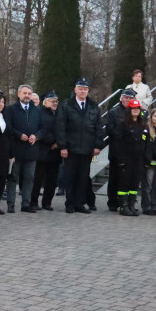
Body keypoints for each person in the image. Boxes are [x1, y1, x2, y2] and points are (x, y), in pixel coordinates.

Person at [56, 79, 103, 214]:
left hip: (87, 148)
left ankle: (80, 203)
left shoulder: (93, 106)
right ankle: (70, 203)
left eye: (85, 89)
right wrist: (63, 146)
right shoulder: (66, 105)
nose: (83, 91)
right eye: (80, 88)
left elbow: (98, 127)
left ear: (88, 91)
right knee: (70, 177)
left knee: (83, 178)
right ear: (75, 90)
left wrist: (98, 145)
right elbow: (60, 127)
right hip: (71, 148)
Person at [4, 84, 43, 213]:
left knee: (29, 178)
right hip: (15, 150)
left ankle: (26, 203)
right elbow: (8, 127)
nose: (27, 96)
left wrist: (36, 136)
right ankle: (11, 204)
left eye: (29, 94)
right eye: (24, 93)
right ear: (19, 94)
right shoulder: (10, 109)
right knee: (13, 178)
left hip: (31, 150)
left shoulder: (37, 110)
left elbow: (43, 128)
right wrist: (19, 135)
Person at [102, 89, 136, 211]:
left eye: (130, 98)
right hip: (116, 151)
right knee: (114, 178)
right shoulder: (113, 112)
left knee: (128, 179)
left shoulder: (136, 112)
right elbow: (109, 129)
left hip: (131, 152)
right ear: (121, 99)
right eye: (125, 97)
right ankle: (112, 202)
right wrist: (123, 135)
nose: (127, 100)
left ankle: (126, 202)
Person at [114, 100, 146, 216]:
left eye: (137, 108)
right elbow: (118, 143)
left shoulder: (142, 125)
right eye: (133, 108)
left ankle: (131, 204)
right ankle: (123, 206)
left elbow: (145, 142)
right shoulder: (122, 124)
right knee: (125, 182)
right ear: (129, 110)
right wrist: (121, 159)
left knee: (135, 182)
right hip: (126, 158)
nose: (136, 110)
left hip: (138, 159)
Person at [31, 92, 61, 211]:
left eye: (56, 101)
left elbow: (63, 129)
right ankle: (33, 202)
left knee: (52, 180)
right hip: (42, 151)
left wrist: (59, 142)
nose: (55, 103)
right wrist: (52, 141)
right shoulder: (38, 112)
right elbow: (39, 130)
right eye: (52, 101)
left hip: (55, 152)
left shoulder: (59, 113)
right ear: (45, 102)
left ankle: (47, 202)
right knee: (37, 179)